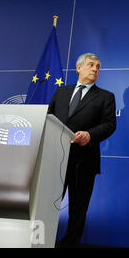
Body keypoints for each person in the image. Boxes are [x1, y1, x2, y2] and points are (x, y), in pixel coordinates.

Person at [48, 53, 116, 247]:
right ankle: (42, 240)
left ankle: (70, 244)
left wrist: (90, 135)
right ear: (79, 68)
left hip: (84, 161)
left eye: (98, 66)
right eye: (91, 65)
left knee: (78, 210)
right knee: (47, 204)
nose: (95, 69)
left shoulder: (105, 96)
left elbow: (110, 124)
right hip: (54, 159)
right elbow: (48, 117)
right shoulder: (61, 92)